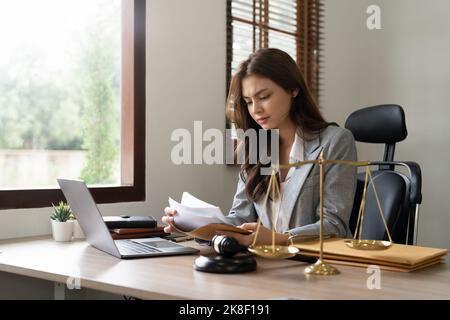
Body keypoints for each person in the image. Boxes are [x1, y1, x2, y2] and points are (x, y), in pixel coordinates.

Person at [163, 48, 357, 247]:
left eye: (264, 96)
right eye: (248, 102)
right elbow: (240, 218)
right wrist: (194, 225)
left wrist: (279, 239)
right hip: (269, 263)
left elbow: (335, 225)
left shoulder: (335, 141)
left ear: (293, 89)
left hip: (319, 264)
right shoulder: (258, 145)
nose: (256, 110)